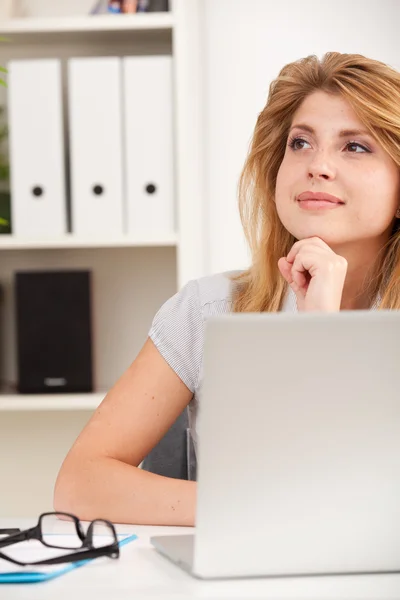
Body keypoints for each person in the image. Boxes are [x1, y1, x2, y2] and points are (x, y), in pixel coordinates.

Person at [54, 51, 400, 526]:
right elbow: (81, 482)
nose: (317, 166)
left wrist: (322, 332)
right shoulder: (208, 309)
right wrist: (248, 511)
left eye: (355, 147)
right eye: (300, 143)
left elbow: (350, 500)